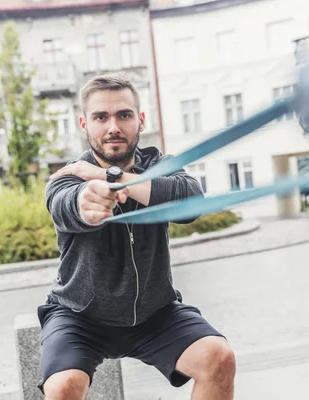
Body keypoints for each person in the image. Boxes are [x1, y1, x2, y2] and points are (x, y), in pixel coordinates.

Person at [39, 72, 236, 400]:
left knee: (219, 359)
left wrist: (111, 176)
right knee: (62, 388)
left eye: (124, 115)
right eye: (101, 117)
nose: (113, 126)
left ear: (140, 120)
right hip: (80, 316)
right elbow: (67, 205)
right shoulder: (69, 176)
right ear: (84, 124)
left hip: (155, 312)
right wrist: (88, 203)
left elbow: (190, 202)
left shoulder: (160, 165)